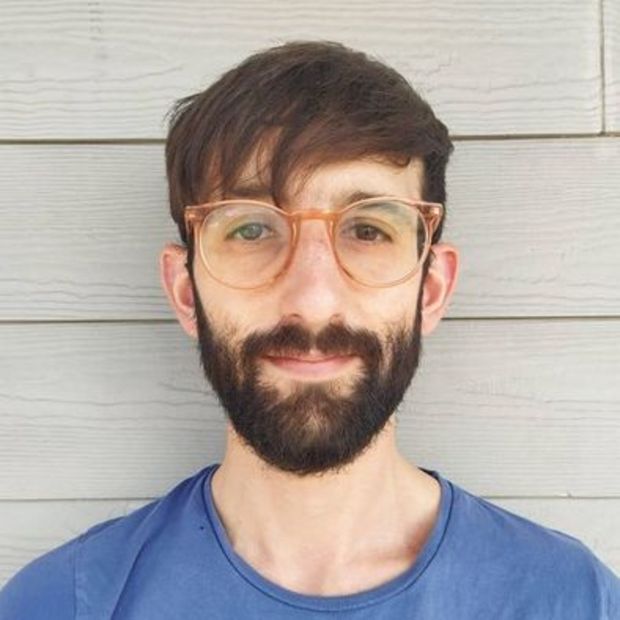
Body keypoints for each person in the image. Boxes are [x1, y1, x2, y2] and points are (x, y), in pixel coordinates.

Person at [1, 40, 618, 620]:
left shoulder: (571, 600)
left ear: (430, 289)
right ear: (186, 292)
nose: (313, 301)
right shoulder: (62, 604)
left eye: (369, 230)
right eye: (250, 229)